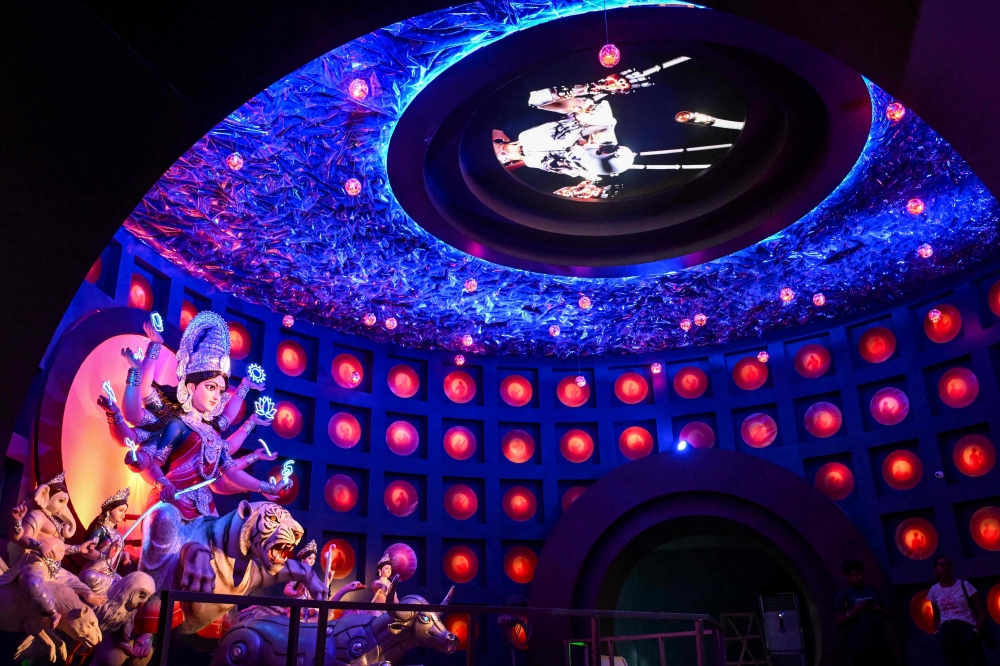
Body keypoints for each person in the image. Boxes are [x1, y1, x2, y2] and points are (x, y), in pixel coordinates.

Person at [98, 311, 286, 520]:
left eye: (221, 391)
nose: (217, 396)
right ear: (191, 386)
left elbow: (230, 473)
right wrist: (164, 484)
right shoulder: (177, 424)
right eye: (211, 387)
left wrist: (267, 487)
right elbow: (152, 463)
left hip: (206, 508)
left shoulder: (213, 433)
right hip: (173, 501)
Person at [928, 555, 988, 666]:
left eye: (948, 565)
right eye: (941, 565)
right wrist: (937, 633)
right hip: (947, 632)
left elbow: (982, 611)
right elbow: (936, 616)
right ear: (935, 569)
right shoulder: (934, 590)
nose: (945, 568)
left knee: (974, 661)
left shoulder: (964, 585)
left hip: (965, 628)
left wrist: (976, 631)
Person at [835, 560, 896, 665]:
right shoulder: (844, 595)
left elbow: (892, 615)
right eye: (855, 575)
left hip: (881, 644)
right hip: (859, 648)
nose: (860, 577)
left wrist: (878, 610)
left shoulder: (873, 591)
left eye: (861, 574)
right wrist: (857, 609)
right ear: (848, 577)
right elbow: (839, 620)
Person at [79, 487, 131, 595]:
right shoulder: (100, 530)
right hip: (95, 572)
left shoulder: (118, 534)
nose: (123, 514)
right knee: (90, 577)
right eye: (120, 510)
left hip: (110, 573)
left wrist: (125, 555)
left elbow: (115, 555)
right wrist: (105, 556)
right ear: (108, 511)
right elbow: (86, 552)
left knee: (128, 586)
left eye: (125, 511)